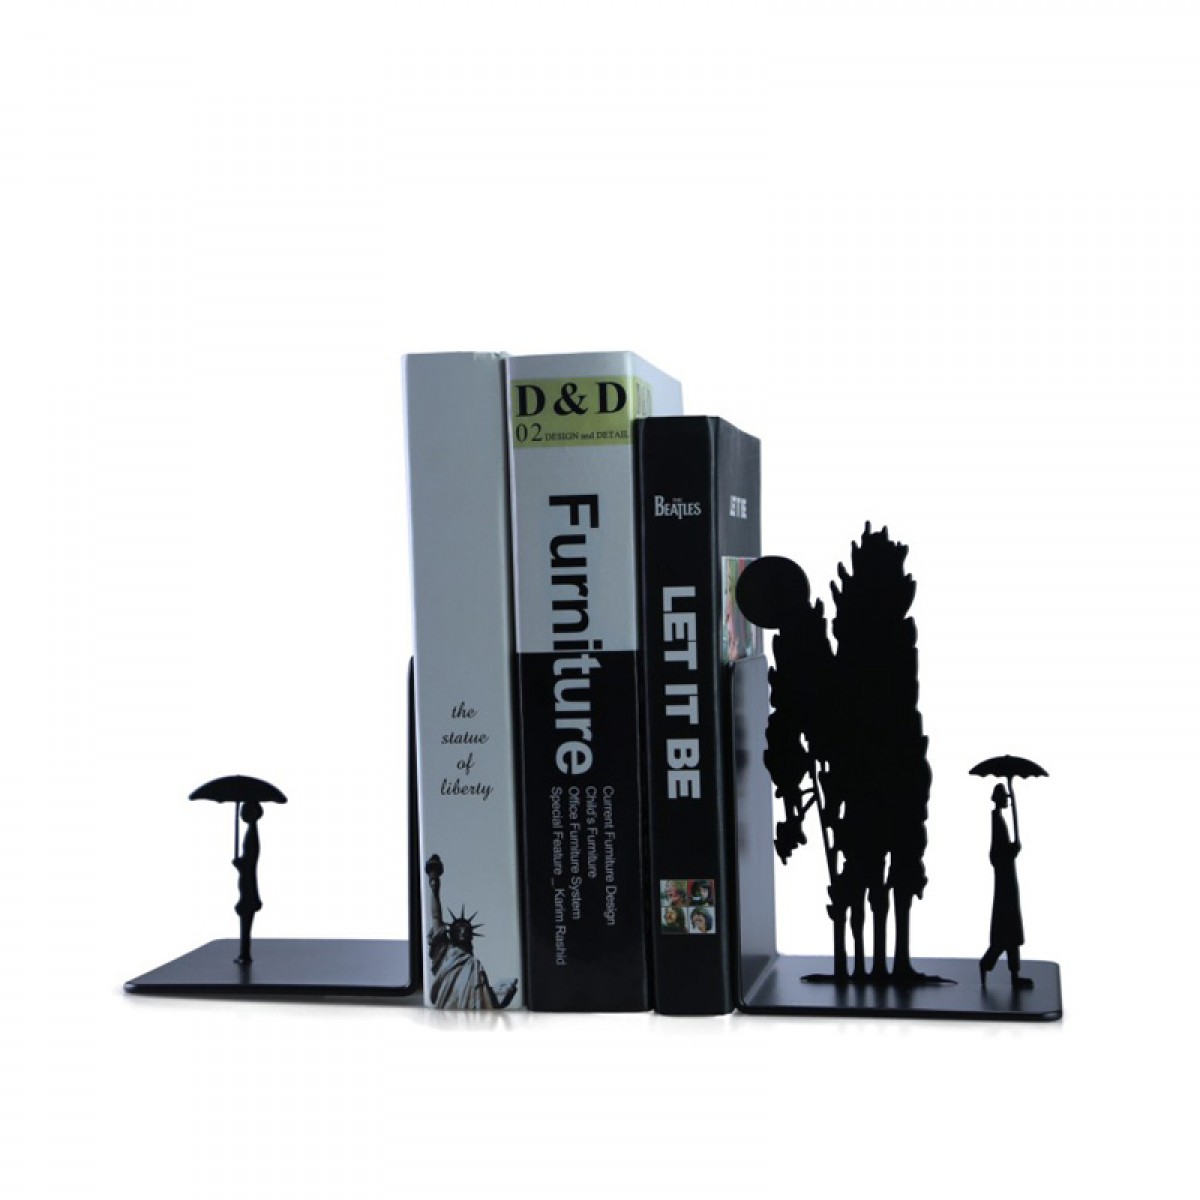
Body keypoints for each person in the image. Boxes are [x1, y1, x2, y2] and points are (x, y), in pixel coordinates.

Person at [425, 856, 518, 1009]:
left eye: (466, 930)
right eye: (458, 929)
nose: (462, 931)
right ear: (451, 934)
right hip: (449, 1009)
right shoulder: (446, 952)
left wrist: (504, 995)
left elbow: (487, 1001)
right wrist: (434, 888)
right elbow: (436, 917)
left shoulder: (475, 966)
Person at [979, 784, 1032, 989]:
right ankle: (987, 963)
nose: (1007, 801)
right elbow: (995, 854)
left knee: (1011, 930)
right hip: (1004, 880)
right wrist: (1012, 850)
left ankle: (1014, 975)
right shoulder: (996, 820)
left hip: (1008, 877)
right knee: (1006, 927)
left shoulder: (999, 819)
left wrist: (1011, 850)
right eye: (1005, 798)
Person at [232, 800, 264, 965]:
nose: (241, 814)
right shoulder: (251, 833)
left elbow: (251, 860)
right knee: (245, 920)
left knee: (246, 920)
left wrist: (240, 864)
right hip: (247, 885)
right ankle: (244, 953)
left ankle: (245, 953)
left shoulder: (251, 835)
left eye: (244, 810)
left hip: (248, 887)